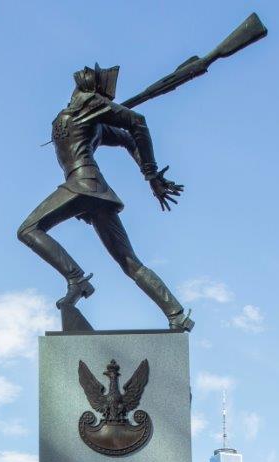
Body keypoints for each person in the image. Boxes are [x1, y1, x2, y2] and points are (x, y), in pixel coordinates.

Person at [17, 64, 194, 331]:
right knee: (130, 262)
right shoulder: (87, 114)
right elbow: (128, 139)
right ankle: (176, 314)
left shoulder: (88, 102)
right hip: (92, 191)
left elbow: (136, 124)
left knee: (28, 230)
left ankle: (76, 279)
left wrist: (150, 173)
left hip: (83, 184)